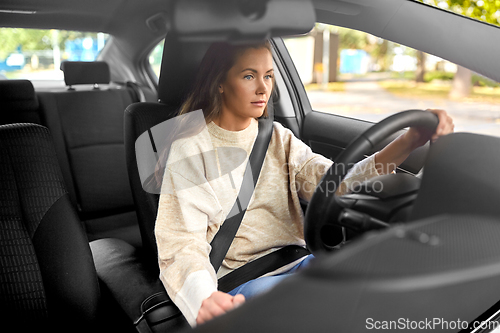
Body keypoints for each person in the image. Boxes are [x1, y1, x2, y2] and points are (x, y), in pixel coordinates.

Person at [154, 40, 454, 327]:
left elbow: (337, 183)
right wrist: (204, 300)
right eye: (249, 75)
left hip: (300, 262)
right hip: (243, 281)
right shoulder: (191, 149)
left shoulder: (276, 137)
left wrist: (409, 141)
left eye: (268, 76)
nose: (263, 88)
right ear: (219, 82)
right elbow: (181, 244)